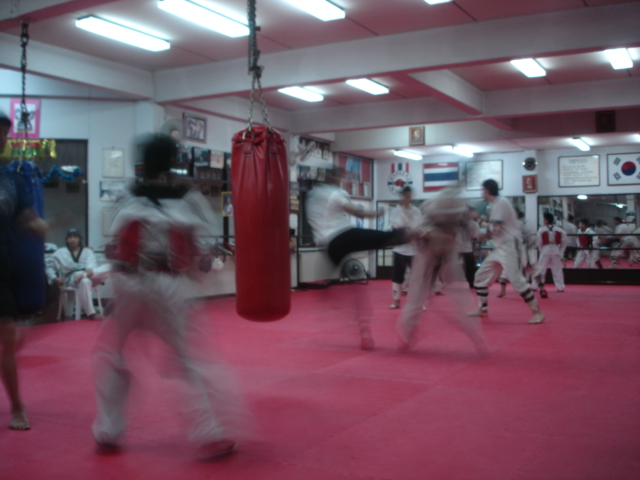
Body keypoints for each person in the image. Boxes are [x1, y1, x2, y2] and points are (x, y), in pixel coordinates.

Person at [92, 134, 240, 457]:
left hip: (128, 281)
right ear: (174, 161)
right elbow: (202, 246)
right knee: (186, 357)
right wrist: (204, 270)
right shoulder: (187, 197)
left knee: (110, 354)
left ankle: (108, 429)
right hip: (167, 284)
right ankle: (208, 433)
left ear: (142, 161)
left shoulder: (128, 195)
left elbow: (114, 242)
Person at [306, 167, 408, 349]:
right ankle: (416, 233)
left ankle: (363, 330)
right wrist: (375, 214)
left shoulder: (313, 195)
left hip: (329, 248)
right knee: (386, 237)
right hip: (343, 237)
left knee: (354, 289)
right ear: (335, 177)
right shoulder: (334, 192)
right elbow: (355, 211)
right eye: (340, 177)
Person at [0, 113, 48, 430]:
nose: (2, 141)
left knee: (9, 337)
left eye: (4, 135)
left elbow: (26, 215)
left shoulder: (9, 178)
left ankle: (18, 407)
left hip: (4, 266)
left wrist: (37, 223)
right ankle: (17, 406)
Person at [396, 188, 487, 354]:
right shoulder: (429, 210)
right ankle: (406, 336)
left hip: (447, 254)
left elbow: (454, 234)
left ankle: (477, 338)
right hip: (426, 253)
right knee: (415, 299)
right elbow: (419, 233)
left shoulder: (459, 213)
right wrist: (429, 239)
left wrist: (446, 242)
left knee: (461, 297)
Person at [467, 179, 545, 324]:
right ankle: (483, 309)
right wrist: (485, 234)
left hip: (510, 246)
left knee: (516, 279)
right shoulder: (495, 204)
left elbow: (496, 229)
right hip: (501, 247)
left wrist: (478, 220)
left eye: (482, 190)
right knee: (480, 276)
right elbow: (497, 230)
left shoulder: (500, 203)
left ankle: (537, 312)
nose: (481, 193)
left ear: (487, 190)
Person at [46, 228, 111, 319]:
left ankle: (83, 275)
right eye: (70, 237)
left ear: (80, 239)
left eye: (75, 237)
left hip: (90, 275)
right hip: (72, 278)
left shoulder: (88, 251)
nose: (72, 239)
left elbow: (90, 268)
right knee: (85, 281)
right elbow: (48, 266)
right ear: (66, 240)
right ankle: (91, 314)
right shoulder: (60, 252)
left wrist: (84, 274)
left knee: (110, 266)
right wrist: (54, 278)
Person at [389, 187, 422, 309]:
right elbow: (393, 228)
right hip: (400, 248)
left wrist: (416, 233)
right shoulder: (396, 211)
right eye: (407, 196)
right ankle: (396, 301)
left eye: (410, 196)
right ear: (402, 197)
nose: (409, 199)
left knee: (417, 278)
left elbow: (420, 228)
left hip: (414, 249)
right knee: (397, 277)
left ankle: (418, 302)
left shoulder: (416, 211)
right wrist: (403, 231)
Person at [531, 212, 567, 297]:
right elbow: (564, 241)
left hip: (545, 249)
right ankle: (560, 287)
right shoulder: (559, 229)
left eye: (544, 219)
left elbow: (539, 242)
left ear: (546, 220)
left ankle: (535, 285)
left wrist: (541, 250)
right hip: (555, 249)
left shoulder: (542, 230)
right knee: (557, 269)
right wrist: (561, 250)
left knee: (541, 268)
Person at [456, 206, 480, 289]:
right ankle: (471, 282)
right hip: (465, 247)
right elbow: (475, 238)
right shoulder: (474, 224)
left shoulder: (456, 223)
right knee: (470, 266)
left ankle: (446, 282)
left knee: (468, 265)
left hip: (459, 247)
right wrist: (475, 249)